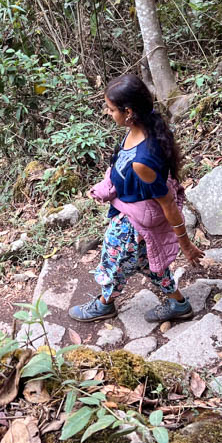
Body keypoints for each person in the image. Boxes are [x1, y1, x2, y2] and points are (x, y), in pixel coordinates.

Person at [70, 74, 204, 324]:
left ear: (128, 111)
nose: (108, 113)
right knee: (148, 262)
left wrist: (184, 244)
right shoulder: (143, 125)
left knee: (113, 264)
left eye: (111, 109)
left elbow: (167, 204)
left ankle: (104, 305)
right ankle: (178, 303)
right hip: (137, 217)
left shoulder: (144, 160)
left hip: (134, 225)